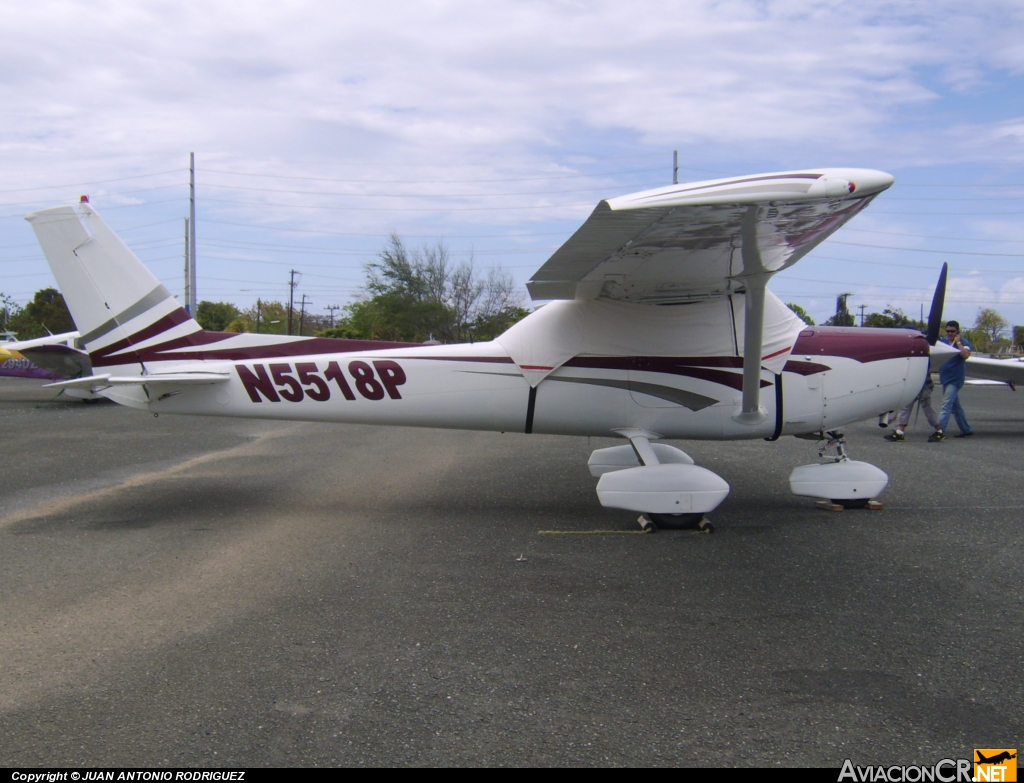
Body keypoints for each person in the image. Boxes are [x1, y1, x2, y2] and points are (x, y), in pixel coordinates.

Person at [929, 320, 973, 442]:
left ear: (957, 331)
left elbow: (966, 355)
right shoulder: (943, 343)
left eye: (952, 331)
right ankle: (966, 429)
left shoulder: (964, 343)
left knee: (946, 405)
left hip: (955, 379)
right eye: (948, 331)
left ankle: (941, 431)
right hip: (945, 378)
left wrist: (958, 342)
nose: (950, 333)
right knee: (955, 406)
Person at [884, 377, 941, 441]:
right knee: (926, 409)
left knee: (907, 407)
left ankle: (900, 433)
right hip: (924, 385)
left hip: (917, 384)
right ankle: (939, 431)